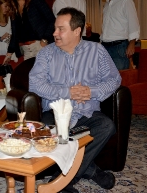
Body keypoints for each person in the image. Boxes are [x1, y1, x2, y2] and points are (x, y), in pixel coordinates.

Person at [29, 7, 121, 192]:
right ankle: (92, 171)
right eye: (55, 28)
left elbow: (114, 79)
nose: (54, 33)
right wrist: (67, 92)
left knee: (107, 126)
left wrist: (91, 91)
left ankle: (61, 180)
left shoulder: (97, 51)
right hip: (55, 113)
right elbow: (35, 84)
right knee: (47, 132)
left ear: (77, 31)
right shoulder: (46, 54)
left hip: (87, 112)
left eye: (60, 29)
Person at [100, 0, 140, 70]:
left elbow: (133, 23)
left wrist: (132, 43)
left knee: (119, 77)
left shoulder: (126, 1)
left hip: (119, 47)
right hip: (105, 47)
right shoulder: (106, 5)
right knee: (106, 78)